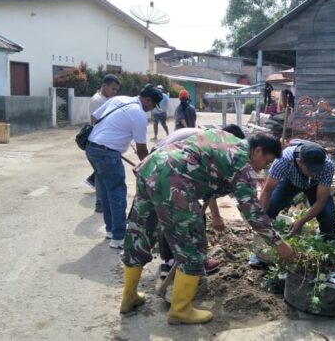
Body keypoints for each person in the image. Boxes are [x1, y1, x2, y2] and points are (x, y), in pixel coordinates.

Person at [120, 131, 295, 324]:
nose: (264, 168)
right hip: (175, 180)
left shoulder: (225, 139)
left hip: (151, 168)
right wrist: (279, 243)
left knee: (141, 234)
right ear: (258, 151)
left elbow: (208, 174)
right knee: (192, 245)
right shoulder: (242, 163)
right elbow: (253, 213)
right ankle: (181, 310)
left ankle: (129, 297)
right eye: (267, 161)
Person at [152, 124, 246, 279]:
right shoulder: (208, 146)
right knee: (178, 216)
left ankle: (179, 260)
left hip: (164, 162)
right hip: (166, 164)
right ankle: (177, 262)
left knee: (177, 214)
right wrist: (216, 216)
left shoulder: (209, 140)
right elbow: (209, 187)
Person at [86, 85, 162, 249]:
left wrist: (111, 135)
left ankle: (112, 231)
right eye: (152, 105)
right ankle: (119, 238)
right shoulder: (139, 115)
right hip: (107, 153)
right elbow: (142, 148)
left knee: (107, 193)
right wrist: (147, 168)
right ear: (148, 100)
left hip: (92, 148)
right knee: (117, 194)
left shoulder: (119, 99)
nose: (151, 110)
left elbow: (94, 118)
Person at [85, 74, 120, 213]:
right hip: (99, 141)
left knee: (101, 173)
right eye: (113, 89)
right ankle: (100, 203)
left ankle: (101, 201)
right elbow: (97, 120)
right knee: (102, 174)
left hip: (102, 141)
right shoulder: (97, 100)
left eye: (116, 90)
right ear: (104, 86)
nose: (114, 92)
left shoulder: (106, 99)